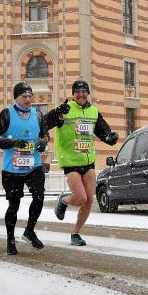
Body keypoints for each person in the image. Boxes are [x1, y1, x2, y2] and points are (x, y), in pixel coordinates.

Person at [0, 82, 59, 255]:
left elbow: (44, 134)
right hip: (12, 168)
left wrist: (42, 143)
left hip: (33, 165)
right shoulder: (7, 114)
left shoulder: (38, 114)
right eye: (24, 96)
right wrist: (11, 142)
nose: (28, 99)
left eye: (30, 96)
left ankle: (29, 230)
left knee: (39, 197)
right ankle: (10, 240)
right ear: (16, 98)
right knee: (14, 205)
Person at [50, 79, 119, 247]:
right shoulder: (65, 109)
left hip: (88, 160)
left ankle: (75, 234)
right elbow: (48, 122)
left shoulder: (93, 111)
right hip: (70, 160)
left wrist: (110, 138)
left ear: (87, 93)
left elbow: (104, 132)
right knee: (80, 198)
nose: (81, 94)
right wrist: (57, 113)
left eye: (84, 91)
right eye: (77, 92)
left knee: (88, 201)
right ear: (73, 94)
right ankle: (64, 200)